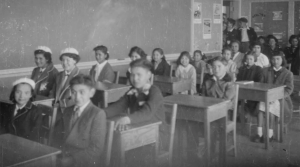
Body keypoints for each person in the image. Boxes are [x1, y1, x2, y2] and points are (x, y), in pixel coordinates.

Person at [105, 59, 167, 150]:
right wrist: (99, 113)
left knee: (121, 145)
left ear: (148, 75)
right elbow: (118, 106)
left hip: (157, 135)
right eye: (132, 75)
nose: (134, 78)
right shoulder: (133, 91)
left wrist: (127, 119)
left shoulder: (154, 91)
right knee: (115, 140)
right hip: (139, 129)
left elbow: (147, 113)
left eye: (139, 75)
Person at [59, 74, 106, 167]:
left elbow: (96, 149)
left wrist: (70, 161)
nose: (77, 97)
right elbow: (60, 137)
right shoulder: (67, 110)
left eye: (82, 92)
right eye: (73, 92)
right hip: (64, 157)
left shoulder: (97, 114)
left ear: (92, 93)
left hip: (82, 161)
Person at [252, 51, 293, 143]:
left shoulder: (288, 73)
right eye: (273, 59)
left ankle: (270, 135)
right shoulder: (265, 71)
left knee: (271, 110)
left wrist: (276, 97)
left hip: (281, 99)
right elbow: (260, 85)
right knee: (260, 109)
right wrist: (266, 96)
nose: (275, 61)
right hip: (266, 96)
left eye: (278, 59)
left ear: (282, 60)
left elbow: (289, 90)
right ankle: (259, 134)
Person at [51, 48, 81, 147]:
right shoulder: (59, 75)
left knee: (59, 132)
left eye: (68, 60)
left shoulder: (80, 77)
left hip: (71, 111)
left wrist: (60, 104)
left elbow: (76, 98)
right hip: (57, 110)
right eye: (63, 60)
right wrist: (50, 103)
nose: (64, 63)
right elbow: (53, 92)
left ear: (75, 61)